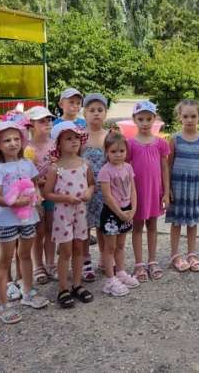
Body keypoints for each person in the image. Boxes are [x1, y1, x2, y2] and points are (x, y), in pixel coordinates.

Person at [0, 121, 49, 324]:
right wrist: (13, 201)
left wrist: (37, 197)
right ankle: (2, 304)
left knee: (25, 254)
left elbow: (34, 186)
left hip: (29, 217)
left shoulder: (27, 164)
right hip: (7, 220)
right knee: (5, 260)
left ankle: (28, 292)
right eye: (6, 140)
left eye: (16, 139)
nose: (13, 143)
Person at [43, 121, 95, 308]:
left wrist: (89, 192)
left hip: (80, 212)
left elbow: (91, 184)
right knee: (65, 250)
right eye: (68, 138)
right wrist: (64, 197)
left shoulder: (84, 164)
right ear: (58, 143)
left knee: (80, 247)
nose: (74, 142)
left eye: (76, 138)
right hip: (63, 213)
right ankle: (63, 288)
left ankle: (77, 284)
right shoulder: (55, 168)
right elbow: (46, 193)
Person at [166, 99, 199, 272]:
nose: (190, 120)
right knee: (176, 223)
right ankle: (175, 255)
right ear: (180, 117)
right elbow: (168, 165)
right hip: (177, 187)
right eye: (186, 116)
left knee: (192, 223)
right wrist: (167, 188)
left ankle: (192, 254)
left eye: (193, 116)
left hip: (195, 187)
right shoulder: (175, 139)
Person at [128, 100, 170, 282]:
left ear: (154, 119)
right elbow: (125, 169)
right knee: (137, 227)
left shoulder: (161, 143)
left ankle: (152, 261)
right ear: (134, 120)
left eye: (148, 119)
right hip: (137, 193)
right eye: (141, 119)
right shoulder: (129, 144)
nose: (145, 123)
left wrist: (166, 192)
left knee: (152, 226)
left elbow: (164, 168)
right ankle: (138, 264)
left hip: (155, 192)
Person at [98, 131, 139, 296]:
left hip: (127, 210)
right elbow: (107, 197)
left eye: (121, 151)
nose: (118, 155)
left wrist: (134, 208)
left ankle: (120, 272)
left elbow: (133, 190)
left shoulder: (128, 167)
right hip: (111, 213)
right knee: (110, 247)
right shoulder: (105, 171)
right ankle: (110, 280)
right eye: (113, 151)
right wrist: (120, 214)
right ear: (107, 152)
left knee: (121, 245)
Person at [24, 106, 57, 283]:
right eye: (42, 121)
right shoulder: (27, 148)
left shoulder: (54, 144)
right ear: (31, 125)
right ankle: (38, 265)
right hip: (35, 197)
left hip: (52, 194)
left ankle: (51, 264)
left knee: (52, 228)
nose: (47, 123)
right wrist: (39, 181)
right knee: (39, 231)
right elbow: (24, 175)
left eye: (49, 120)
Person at [81, 93, 110, 281]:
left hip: (105, 191)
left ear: (106, 113)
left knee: (102, 226)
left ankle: (104, 258)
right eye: (92, 110)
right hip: (84, 190)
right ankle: (85, 261)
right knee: (84, 226)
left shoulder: (110, 136)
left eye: (100, 110)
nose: (96, 114)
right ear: (84, 113)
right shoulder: (80, 137)